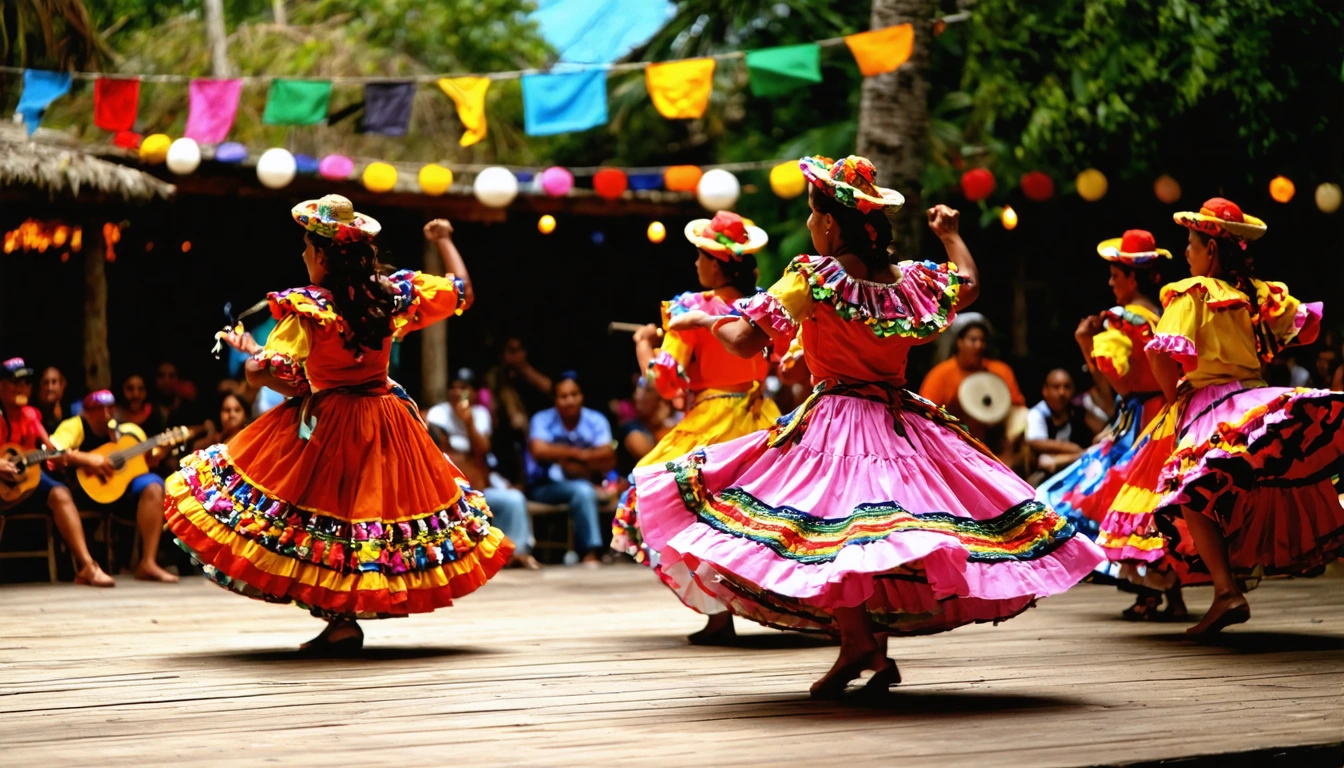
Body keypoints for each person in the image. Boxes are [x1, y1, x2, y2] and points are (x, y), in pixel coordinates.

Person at [641, 156, 1104, 697]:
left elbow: (746, 340)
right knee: (858, 536)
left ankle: (861, 646)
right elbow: (970, 285)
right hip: (897, 421)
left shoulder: (815, 277)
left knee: (839, 533)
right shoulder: (907, 280)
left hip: (837, 423)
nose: (811, 226)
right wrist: (950, 235)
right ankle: (866, 650)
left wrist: (707, 320)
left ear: (831, 224)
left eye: (814, 216)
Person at [164, 197, 511, 653]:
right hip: (386, 420)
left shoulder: (308, 308)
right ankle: (342, 621)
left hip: (330, 423)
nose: (303, 256)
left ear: (324, 254)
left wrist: (254, 359)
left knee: (323, 519)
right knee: (362, 518)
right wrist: (444, 240)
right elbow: (461, 290)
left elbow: (274, 376)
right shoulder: (392, 294)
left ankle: (341, 620)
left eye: (307, 247)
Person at [1096, 198, 1344, 635]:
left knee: (1190, 493)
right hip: (1252, 398)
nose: (1188, 252)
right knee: (1241, 483)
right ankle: (1228, 586)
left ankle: (1227, 591)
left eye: (1191, 244)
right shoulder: (1257, 292)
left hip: (1208, 404)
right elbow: (1303, 327)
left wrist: (1175, 396)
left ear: (1210, 249)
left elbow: (1161, 355)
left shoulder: (1191, 292)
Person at [612, 210, 784, 645]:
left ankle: (719, 616)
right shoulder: (763, 306)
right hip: (763, 418)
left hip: (712, 422)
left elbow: (663, 384)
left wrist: (643, 348)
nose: (695, 264)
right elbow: (785, 361)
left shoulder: (692, 308)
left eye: (700, 256)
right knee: (764, 515)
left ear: (716, 263)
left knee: (679, 505)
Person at [1035, 229, 1187, 620]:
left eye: (1114, 276)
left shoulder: (1123, 320)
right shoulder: (1163, 314)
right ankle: (1168, 592)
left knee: (1119, 494)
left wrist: (1086, 344)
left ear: (1131, 277)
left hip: (1142, 418)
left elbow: (1119, 383)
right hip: (1167, 413)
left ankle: (1150, 592)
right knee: (1160, 501)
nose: (1110, 283)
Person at [0, 358, 114, 587]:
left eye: (26, 383)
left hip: (26, 483)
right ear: (1, 385)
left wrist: (64, 457)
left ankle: (87, 567)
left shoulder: (31, 415)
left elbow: (51, 449)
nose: (22, 388)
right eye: (15, 382)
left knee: (60, 493)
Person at [50, 389, 179, 583]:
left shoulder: (129, 431)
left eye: (110, 408)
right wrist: (87, 459)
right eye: (99, 409)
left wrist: (157, 455)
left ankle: (148, 562)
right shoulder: (74, 426)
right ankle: (88, 565)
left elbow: (146, 463)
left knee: (154, 485)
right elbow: (53, 451)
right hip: (84, 491)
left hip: (122, 491)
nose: (106, 414)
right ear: (86, 411)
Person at [426, 368, 539, 570]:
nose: (456, 392)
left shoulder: (479, 414)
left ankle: (518, 553)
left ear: (474, 393)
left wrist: (468, 423)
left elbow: (482, 452)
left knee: (514, 499)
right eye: (453, 388)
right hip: (450, 490)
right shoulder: (438, 414)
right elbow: (442, 455)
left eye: (463, 388)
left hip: (478, 485)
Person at [526, 372, 614, 566]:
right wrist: (579, 453)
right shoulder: (541, 419)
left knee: (587, 489)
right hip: (544, 486)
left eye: (574, 394)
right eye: (564, 396)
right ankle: (590, 550)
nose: (570, 400)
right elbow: (539, 449)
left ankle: (593, 552)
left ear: (581, 396)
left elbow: (607, 453)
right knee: (582, 490)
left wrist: (569, 458)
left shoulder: (596, 420)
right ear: (555, 400)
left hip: (589, 482)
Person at [918, 313, 1026, 449]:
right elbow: (925, 415)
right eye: (973, 340)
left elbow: (1018, 409)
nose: (979, 345)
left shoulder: (1001, 370)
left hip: (998, 444)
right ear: (960, 342)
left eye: (983, 340)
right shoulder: (940, 375)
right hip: (956, 445)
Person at [485, 337, 554, 484]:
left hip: (537, 430)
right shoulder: (496, 376)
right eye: (511, 351)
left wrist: (524, 369)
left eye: (518, 350)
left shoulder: (530, 371)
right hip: (506, 435)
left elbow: (551, 389)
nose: (515, 355)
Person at [1025, 368, 1093, 478]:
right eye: (1056, 387)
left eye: (1067, 387)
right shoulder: (1038, 413)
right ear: (1045, 390)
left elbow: (1097, 430)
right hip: (1045, 472)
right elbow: (1036, 441)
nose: (1062, 393)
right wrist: (1074, 449)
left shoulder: (1076, 411)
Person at [614, 378, 676, 475]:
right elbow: (658, 464)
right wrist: (660, 429)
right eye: (638, 389)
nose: (638, 395)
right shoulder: (631, 430)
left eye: (648, 390)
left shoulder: (669, 426)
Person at [34, 366, 69, 435]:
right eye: (46, 383)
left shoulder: (73, 411)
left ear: (62, 385)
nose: (50, 388)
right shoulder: (32, 414)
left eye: (54, 382)